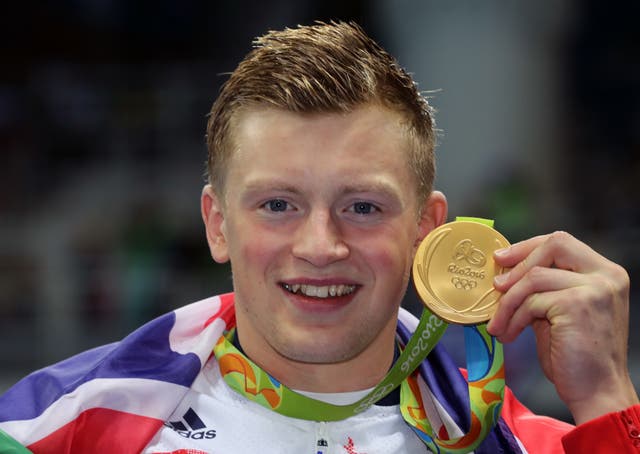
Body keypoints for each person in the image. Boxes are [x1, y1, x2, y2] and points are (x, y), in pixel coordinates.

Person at [0, 21, 638, 454]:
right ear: (217, 224)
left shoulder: (516, 438)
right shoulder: (57, 428)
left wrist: (607, 398)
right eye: (278, 204)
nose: (320, 245)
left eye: (362, 207)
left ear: (426, 230)